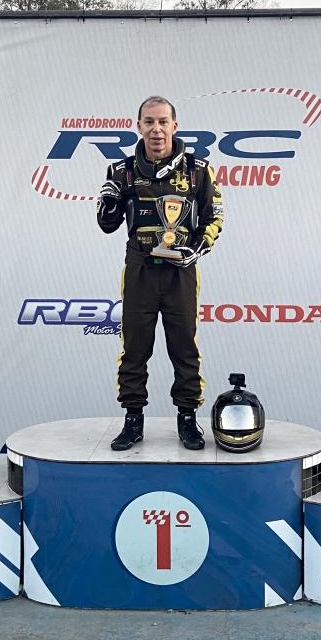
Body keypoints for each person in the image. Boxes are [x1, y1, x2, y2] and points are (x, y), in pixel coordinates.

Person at [97, 96, 225, 451]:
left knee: (184, 346)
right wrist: (109, 202)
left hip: (181, 272)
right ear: (139, 126)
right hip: (139, 268)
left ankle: (188, 418)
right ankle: (132, 419)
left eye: (163, 122)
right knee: (135, 347)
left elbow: (215, 216)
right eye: (149, 122)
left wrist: (196, 249)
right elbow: (107, 225)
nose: (156, 129)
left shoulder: (198, 169)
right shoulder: (121, 171)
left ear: (174, 126)